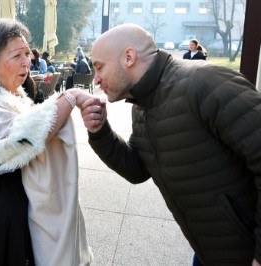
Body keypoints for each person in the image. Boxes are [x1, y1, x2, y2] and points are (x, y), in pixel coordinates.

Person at [81, 23, 261, 266]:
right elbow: (137, 170)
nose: (97, 78)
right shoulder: (142, 105)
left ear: (129, 57)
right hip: (208, 251)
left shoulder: (205, 81)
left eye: (99, 67)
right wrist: (100, 131)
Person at [0, 18, 94, 266]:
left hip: (16, 204)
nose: (27, 61)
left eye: (27, 53)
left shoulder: (10, 92)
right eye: (16, 55)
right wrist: (71, 96)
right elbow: (25, 136)